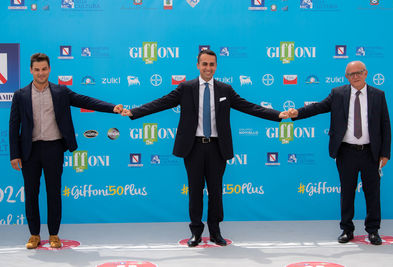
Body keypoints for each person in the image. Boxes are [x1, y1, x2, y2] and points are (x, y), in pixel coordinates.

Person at [121, 49, 288, 247]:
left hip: (218, 148)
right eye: (204, 64)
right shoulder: (186, 87)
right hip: (193, 148)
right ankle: (196, 233)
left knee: (216, 192)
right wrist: (134, 112)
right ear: (198, 65)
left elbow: (249, 106)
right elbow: (162, 103)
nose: (208, 68)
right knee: (195, 191)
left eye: (212, 64)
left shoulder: (226, 90)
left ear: (216, 66)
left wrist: (277, 115)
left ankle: (216, 232)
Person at [9, 53, 123, 249]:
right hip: (30, 151)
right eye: (37, 69)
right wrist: (14, 154)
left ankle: (54, 234)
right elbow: (13, 126)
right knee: (31, 194)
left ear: (49, 69)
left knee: (54, 193)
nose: (41, 73)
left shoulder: (60, 92)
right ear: (31, 70)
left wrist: (112, 107)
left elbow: (85, 101)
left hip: (54, 148)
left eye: (44, 69)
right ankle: (34, 235)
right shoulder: (20, 95)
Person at [287, 61, 391, 245]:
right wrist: (296, 113)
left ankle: (373, 231)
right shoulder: (338, 94)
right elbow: (317, 107)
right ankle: (347, 229)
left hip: (371, 153)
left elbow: (385, 125)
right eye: (351, 74)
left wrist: (385, 153)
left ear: (366, 73)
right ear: (346, 77)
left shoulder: (378, 95)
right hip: (346, 152)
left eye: (359, 72)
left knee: (373, 193)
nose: (355, 76)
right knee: (347, 192)